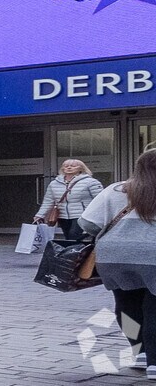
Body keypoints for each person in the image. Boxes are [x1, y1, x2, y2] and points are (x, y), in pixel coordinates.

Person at [80, 145, 156, 369]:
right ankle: (155, 362)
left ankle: (140, 351)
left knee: (125, 303)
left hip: (113, 256)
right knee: (154, 307)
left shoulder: (116, 189)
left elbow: (86, 223)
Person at [38, 158, 106, 228]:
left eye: (73, 166)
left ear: (81, 168)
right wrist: (39, 215)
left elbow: (100, 200)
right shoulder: (54, 183)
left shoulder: (91, 182)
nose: (69, 168)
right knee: (68, 237)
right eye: (66, 166)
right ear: (62, 168)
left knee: (74, 235)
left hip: (83, 216)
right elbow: (48, 201)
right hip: (62, 216)